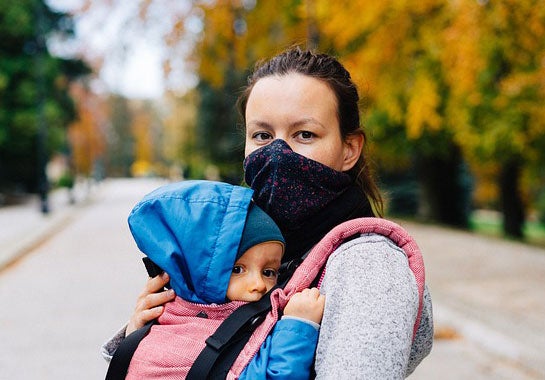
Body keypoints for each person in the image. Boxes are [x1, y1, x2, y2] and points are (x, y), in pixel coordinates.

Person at [104, 47, 433, 378]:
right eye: (262, 135)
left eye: (305, 134)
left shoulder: (367, 264)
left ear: (349, 149)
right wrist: (146, 335)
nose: (277, 153)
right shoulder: (247, 239)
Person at [106, 180, 325, 379]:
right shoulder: (171, 340)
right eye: (237, 269)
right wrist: (298, 327)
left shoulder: (251, 318)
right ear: (198, 272)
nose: (259, 285)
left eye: (269, 272)